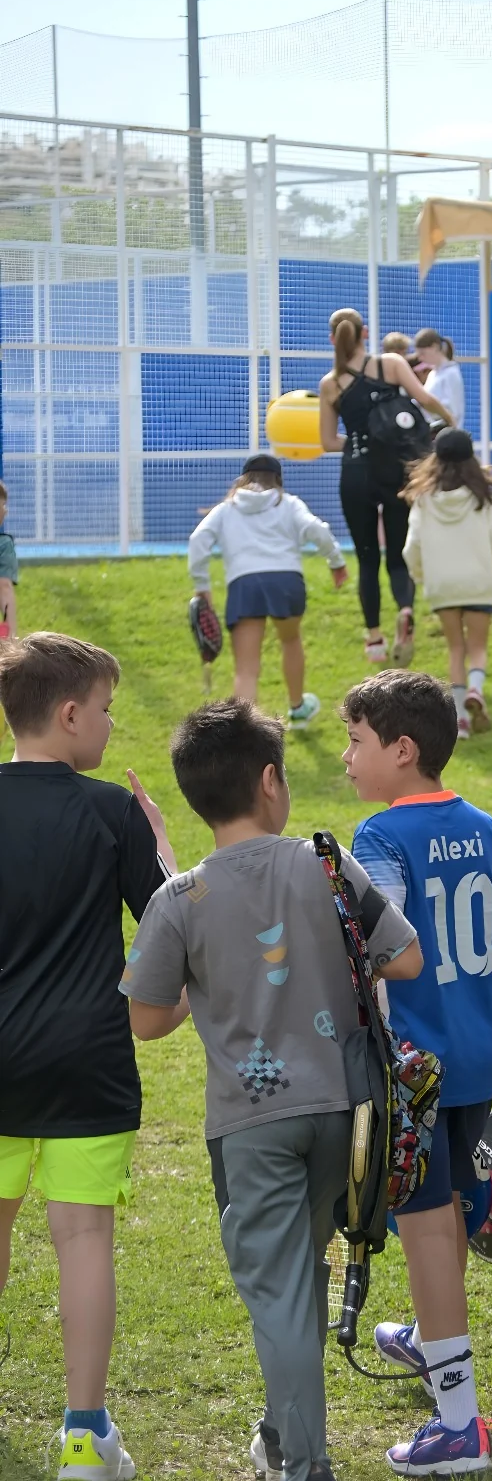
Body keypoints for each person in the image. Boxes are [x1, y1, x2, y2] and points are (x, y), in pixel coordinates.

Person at [120, 698, 423, 1481]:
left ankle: (305, 1463)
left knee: (282, 1289)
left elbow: (146, 1019)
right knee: (302, 1276)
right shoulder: (325, 863)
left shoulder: (179, 900)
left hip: (250, 1126)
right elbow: (405, 957)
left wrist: (204, 983)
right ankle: (279, 1435)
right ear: (269, 782)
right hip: (344, 1112)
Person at [342, 671, 492, 1476]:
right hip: (472, 1053)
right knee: (448, 1210)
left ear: (402, 749)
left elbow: (384, 947)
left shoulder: (379, 837)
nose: (347, 758)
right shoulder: (484, 824)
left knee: (426, 1227)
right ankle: (430, 1339)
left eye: (356, 741)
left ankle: (458, 1423)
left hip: (412, 1067)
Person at [0, 633, 173, 1481]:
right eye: (106, 709)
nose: (110, 723)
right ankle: (83, 1438)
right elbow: (173, 930)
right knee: (83, 1240)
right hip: (88, 1061)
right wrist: (164, 849)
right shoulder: (113, 812)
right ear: (70, 715)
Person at [319, 308, 453, 668]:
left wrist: (358, 444)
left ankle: (375, 638)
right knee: (398, 553)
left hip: (356, 474)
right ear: (364, 333)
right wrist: (451, 421)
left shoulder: (330, 383)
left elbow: (328, 441)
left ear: (332, 339)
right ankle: (405, 609)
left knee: (367, 559)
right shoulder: (390, 364)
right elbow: (425, 399)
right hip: (396, 471)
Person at [188, 452, 347, 728]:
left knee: (246, 669)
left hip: (244, 584)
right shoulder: (289, 503)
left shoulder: (226, 509)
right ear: (278, 479)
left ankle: (245, 734)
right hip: (286, 581)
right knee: (290, 640)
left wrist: (202, 586)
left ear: (243, 479)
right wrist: (336, 562)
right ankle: (298, 709)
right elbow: (316, 529)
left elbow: (198, 539)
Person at [402, 428, 492, 739]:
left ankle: (460, 717)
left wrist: (422, 577)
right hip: (478, 582)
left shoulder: (423, 500)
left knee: (455, 648)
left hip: (442, 586)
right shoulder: (483, 498)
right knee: (477, 646)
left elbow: (411, 548)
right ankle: (476, 687)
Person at [413, 328, 466, 429]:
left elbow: (454, 411)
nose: (420, 358)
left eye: (422, 353)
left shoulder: (451, 373)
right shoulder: (433, 374)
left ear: (434, 347)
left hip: (445, 432)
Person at [0, 478, 18, 638]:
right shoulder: (4, 545)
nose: (6, 511)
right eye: (4, 505)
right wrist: (10, 636)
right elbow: (4, 586)